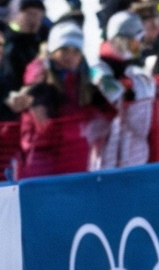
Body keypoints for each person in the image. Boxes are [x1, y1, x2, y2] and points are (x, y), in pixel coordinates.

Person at [17, 22, 119, 177]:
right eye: (64, 50)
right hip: (42, 156)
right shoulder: (40, 76)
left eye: (76, 51)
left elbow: (108, 112)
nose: (70, 57)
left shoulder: (84, 79)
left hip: (76, 155)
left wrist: (109, 96)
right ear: (52, 51)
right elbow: (43, 124)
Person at [99, 12, 158, 166]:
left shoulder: (136, 70)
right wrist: (122, 91)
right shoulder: (98, 66)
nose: (138, 44)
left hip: (134, 155)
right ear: (121, 39)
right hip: (106, 157)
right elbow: (109, 93)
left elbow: (145, 125)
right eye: (135, 40)